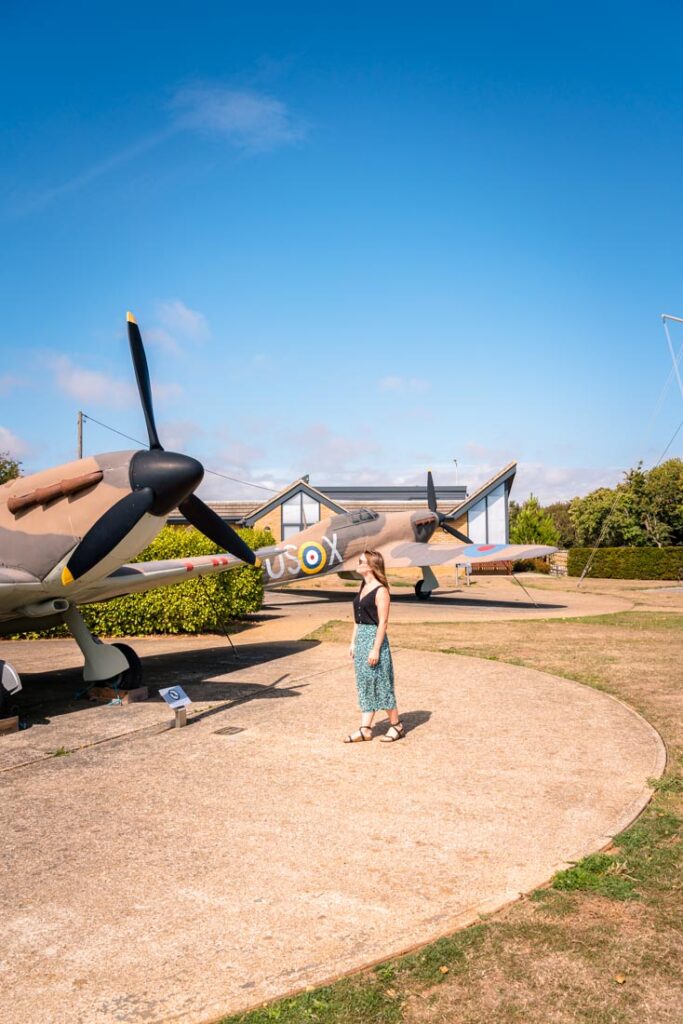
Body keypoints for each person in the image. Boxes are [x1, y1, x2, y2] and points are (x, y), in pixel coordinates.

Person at [344, 549, 404, 743]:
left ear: (371, 565)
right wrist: (353, 641)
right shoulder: (363, 586)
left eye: (361, 561)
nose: (358, 563)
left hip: (374, 639)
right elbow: (357, 619)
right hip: (361, 638)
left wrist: (375, 649)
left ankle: (396, 725)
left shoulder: (381, 591)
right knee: (365, 685)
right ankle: (365, 729)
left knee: (381, 683)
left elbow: (383, 623)